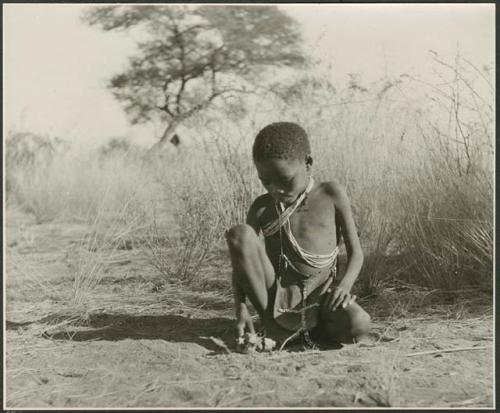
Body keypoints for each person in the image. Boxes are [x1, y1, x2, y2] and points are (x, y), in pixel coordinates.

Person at [225, 122, 370, 352]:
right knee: (239, 234)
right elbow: (242, 263)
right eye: (265, 181)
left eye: (284, 180)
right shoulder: (262, 208)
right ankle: (276, 327)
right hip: (275, 303)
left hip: (322, 298)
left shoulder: (331, 194)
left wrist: (344, 286)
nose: (275, 189)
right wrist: (240, 308)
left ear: (308, 163)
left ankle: (310, 330)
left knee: (359, 323)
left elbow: (356, 253)